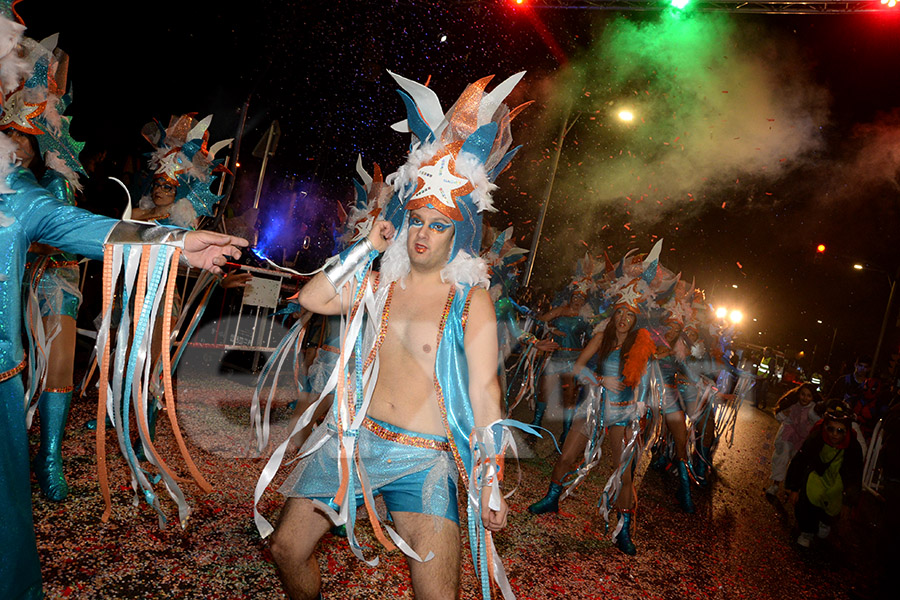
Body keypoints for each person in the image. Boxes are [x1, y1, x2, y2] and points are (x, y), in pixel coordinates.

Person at [255, 71, 527, 600]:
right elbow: (313, 300)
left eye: (439, 224)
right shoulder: (378, 281)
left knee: (437, 595)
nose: (423, 234)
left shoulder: (470, 298)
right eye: (417, 220)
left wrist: (491, 478)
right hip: (350, 442)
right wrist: (368, 248)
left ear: (461, 231)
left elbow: (485, 391)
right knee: (287, 549)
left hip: (424, 457)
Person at [528, 248, 660, 556]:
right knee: (566, 457)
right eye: (620, 313)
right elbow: (577, 368)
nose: (624, 319)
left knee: (624, 475)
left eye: (630, 315)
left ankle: (624, 529)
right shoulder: (601, 339)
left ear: (636, 318)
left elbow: (646, 385)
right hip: (594, 408)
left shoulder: (641, 346)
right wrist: (600, 381)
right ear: (613, 315)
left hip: (622, 415)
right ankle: (551, 499)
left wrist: (638, 410)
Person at [785, 400, 863, 548]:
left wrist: (848, 503)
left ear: (846, 431)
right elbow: (800, 461)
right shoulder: (816, 438)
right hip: (817, 474)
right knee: (808, 497)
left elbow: (855, 474)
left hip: (837, 478)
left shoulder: (853, 447)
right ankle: (806, 531)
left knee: (833, 501)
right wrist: (794, 488)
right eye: (831, 429)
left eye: (840, 431)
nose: (834, 435)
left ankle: (825, 521)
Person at [766, 383, 822, 498]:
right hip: (788, 434)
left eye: (808, 396)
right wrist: (784, 413)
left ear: (813, 397)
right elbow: (779, 417)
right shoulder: (792, 404)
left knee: (797, 463)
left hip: (803, 438)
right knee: (782, 456)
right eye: (803, 394)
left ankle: (791, 488)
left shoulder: (814, 409)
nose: (805, 398)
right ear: (798, 394)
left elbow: (819, 424)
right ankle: (775, 484)